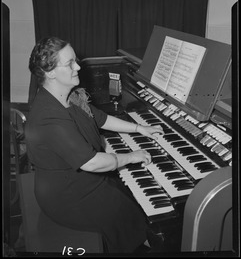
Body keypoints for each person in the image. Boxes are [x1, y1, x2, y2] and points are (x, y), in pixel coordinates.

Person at [25, 37, 164, 253]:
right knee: (125, 206)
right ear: (50, 72)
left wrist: (139, 129)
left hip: (78, 181)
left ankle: (139, 238)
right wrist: (132, 156)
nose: (78, 67)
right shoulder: (48, 117)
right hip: (67, 196)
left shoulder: (67, 96)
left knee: (127, 194)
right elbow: (92, 162)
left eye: (76, 61)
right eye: (70, 63)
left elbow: (100, 118)